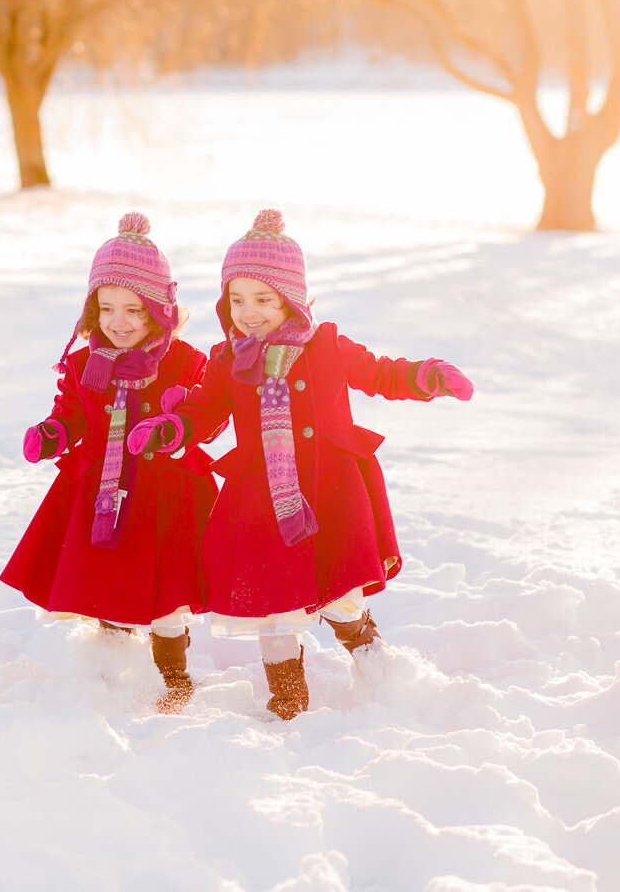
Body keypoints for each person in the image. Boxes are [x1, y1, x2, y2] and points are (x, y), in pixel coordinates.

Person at [128, 209, 473, 720]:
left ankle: (368, 652)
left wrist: (425, 377)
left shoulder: (327, 344)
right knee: (274, 605)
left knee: (339, 593)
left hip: (329, 489)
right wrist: (173, 427)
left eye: (263, 299)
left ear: (291, 298)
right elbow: (206, 409)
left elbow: (379, 373)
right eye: (237, 300)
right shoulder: (227, 360)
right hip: (262, 501)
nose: (249, 312)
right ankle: (287, 698)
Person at [0, 212, 218, 713]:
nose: (118, 322)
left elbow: (209, 416)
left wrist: (176, 425)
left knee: (166, 595)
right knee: (107, 585)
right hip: (104, 495)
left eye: (134, 311)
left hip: (164, 497)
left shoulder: (185, 362)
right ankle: (113, 676)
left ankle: (173, 678)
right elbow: (72, 414)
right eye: (107, 309)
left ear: (160, 312)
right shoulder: (82, 366)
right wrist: (53, 434)